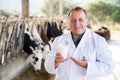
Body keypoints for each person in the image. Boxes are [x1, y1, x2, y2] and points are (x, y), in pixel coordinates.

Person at [44, 6, 114, 80]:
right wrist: (55, 62)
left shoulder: (99, 41)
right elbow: (48, 67)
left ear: (86, 21)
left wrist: (88, 66)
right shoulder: (59, 40)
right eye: (73, 20)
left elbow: (109, 67)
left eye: (80, 20)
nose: (77, 24)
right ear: (68, 22)